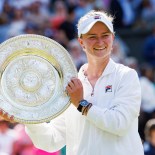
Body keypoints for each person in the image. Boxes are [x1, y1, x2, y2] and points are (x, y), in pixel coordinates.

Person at [0, 10, 144, 155]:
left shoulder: (126, 76)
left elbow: (120, 124)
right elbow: (51, 141)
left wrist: (82, 104)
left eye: (105, 35)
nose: (100, 42)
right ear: (81, 42)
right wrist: (26, 115)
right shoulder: (70, 84)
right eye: (92, 37)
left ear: (113, 38)